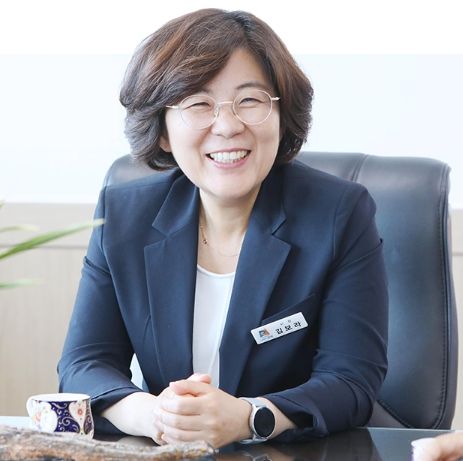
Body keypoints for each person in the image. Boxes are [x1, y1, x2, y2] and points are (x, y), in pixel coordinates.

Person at [58, 8, 388, 448]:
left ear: (281, 113)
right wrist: (155, 416)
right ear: (162, 130)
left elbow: (351, 381)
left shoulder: (338, 214)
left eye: (250, 100)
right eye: (198, 104)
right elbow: (83, 365)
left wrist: (249, 417)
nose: (229, 126)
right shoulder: (125, 215)